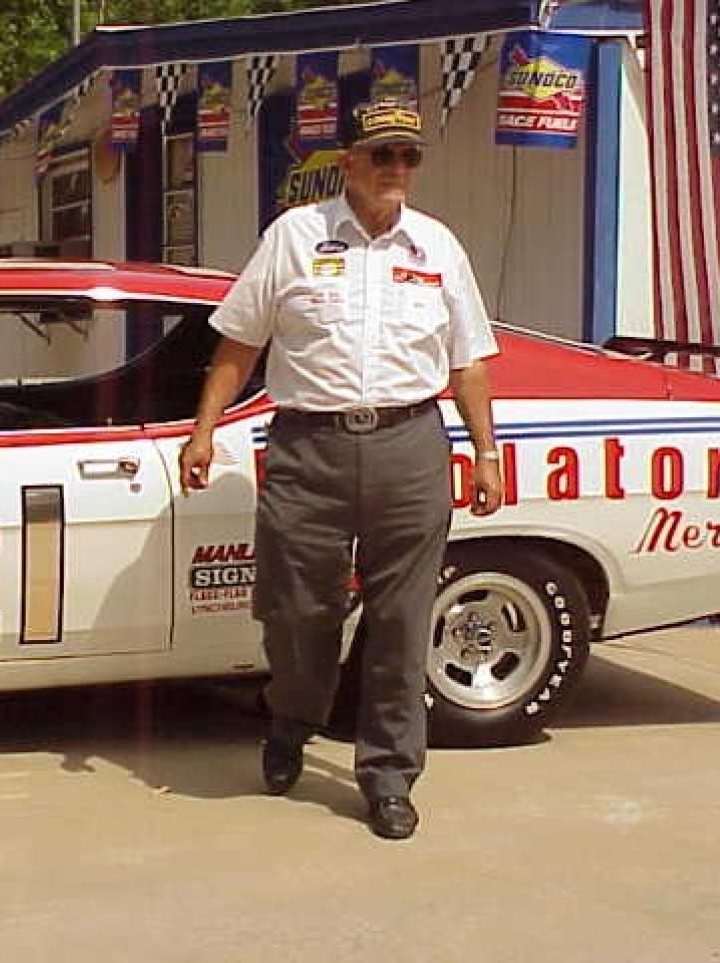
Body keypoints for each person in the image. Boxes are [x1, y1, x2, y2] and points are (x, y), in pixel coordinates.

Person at [178, 100, 503, 840]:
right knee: (298, 612)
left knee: (401, 622)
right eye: (382, 154)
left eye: (408, 156)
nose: (396, 169)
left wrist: (486, 453)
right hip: (308, 449)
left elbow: (468, 363)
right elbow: (239, 343)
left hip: (410, 447)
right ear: (348, 161)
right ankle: (292, 717)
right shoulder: (294, 236)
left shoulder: (438, 246)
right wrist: (202, 431)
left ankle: (388, 774)